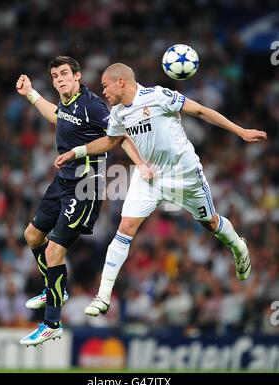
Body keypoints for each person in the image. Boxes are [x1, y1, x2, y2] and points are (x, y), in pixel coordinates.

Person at [55, 63, 267, 317]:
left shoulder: (157, 96)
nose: (103, 92)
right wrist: (76, 151)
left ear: (121, 81)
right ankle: (103, 295)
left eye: (105, 86)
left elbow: (199, 110)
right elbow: (111, 141)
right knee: (125, 228)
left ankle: (238, 247)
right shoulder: (119, 113)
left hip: (184, 176)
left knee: (210, 223)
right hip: (150, 177)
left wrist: (240, 131)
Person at [15, 57, 150, 346]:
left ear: (77, 76)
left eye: (64, 73)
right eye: (54, 75)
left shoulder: (93, 105)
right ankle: (56, 290)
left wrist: (139, 163)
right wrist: (31, 93)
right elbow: (55, 116)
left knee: (53, 251)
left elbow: (119, 135)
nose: (59, 79)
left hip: (85, 187)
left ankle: (51, 323)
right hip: (63, 181)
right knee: (31, 235)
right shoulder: (67, 102)